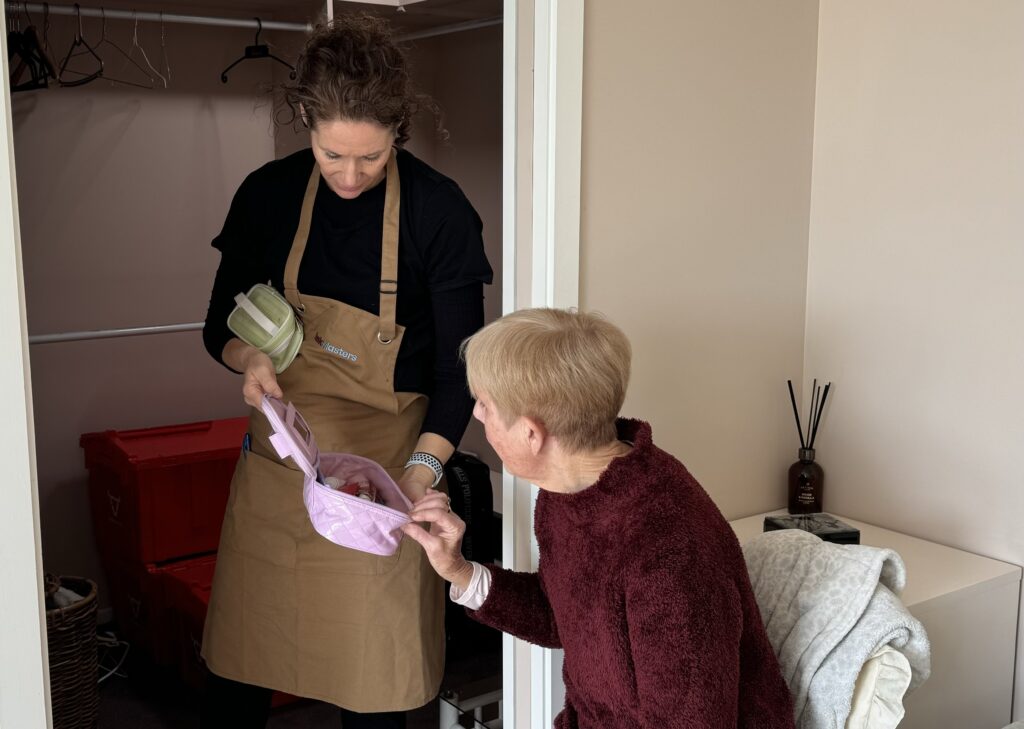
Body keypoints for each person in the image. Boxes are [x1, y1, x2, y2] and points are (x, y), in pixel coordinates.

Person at [199, 14, 492, 729]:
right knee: (239, 672)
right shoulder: (267, 197)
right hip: (279, 478)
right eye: (333, 155)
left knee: (378, 686)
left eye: (372, 156)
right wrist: (250, 358)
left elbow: (461, 378)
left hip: (382, 486)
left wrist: (414, 480)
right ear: (305, 121)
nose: (351, 175)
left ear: (399, 129)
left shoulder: (439, 213)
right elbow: (219, 327)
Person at [403, 309, 796, 728]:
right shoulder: (568, 489)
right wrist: (460, 571)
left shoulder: (667, 549)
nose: (478, 416)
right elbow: (563, 618)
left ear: (531, 434)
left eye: (485, 404)